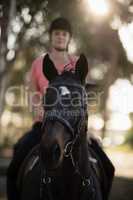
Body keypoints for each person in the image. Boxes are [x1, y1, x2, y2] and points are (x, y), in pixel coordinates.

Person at [6, 17, 80, 200]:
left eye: (64, 34)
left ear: (69, 37)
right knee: (16, 160)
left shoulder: (77, 63)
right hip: (44, 126)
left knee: (106, 164)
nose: (60, 37)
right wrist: (39, 109)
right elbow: (33, 93)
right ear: (51, 37)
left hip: (72, 128)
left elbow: (82, 97)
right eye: (57, 34)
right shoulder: (39, 63)